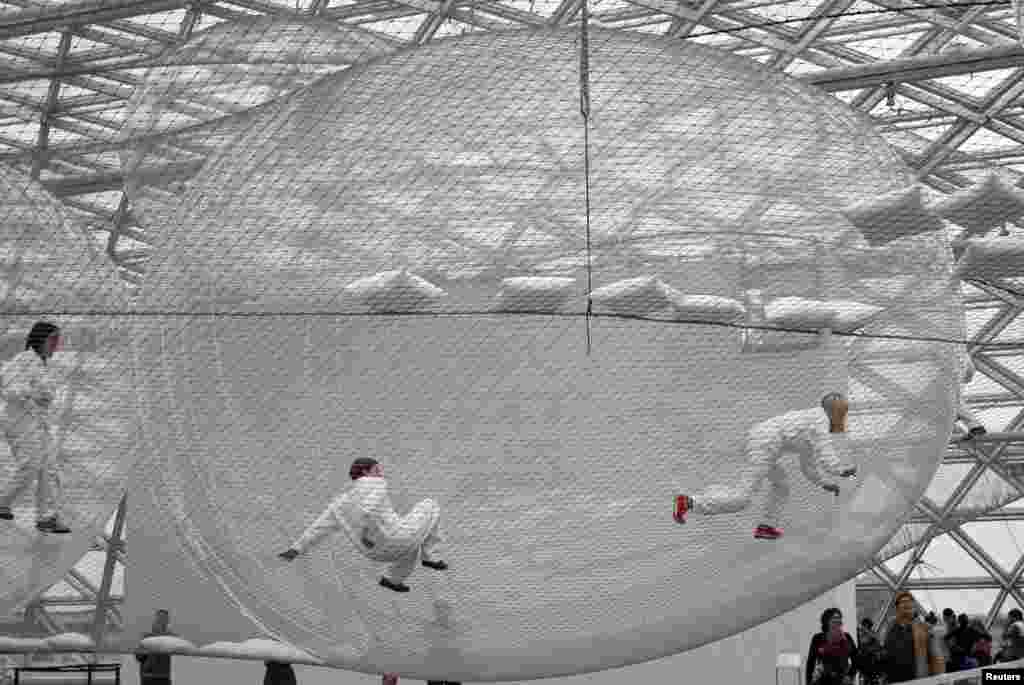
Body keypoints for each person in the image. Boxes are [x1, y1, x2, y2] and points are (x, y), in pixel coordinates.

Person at [674, 392, 857, 539]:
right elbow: (825, 454)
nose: (843, 417)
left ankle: (766, 526)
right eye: (842, 412)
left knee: (782, 485)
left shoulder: (811, 421)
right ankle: (690, 502)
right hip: (765, 445)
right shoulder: (820, 421)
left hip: (763, 442)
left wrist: (824, 483)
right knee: (743, 498)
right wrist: (841, 471)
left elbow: (808, 465)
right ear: (835, 410)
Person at [279, 458, 448, 593]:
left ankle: (393, 580)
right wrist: (366, 532)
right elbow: (368, 510)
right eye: (377, 470)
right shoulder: (377, 484)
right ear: (365, 473)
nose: (382, 473)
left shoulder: (340, 504)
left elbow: (319, 527)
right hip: (396, 539)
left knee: (414, 544)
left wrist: (296, 548)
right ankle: (430, 557)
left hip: (376, 553)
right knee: (430, 505)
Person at [0, 321, 69, 534]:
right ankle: (3, 501)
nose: (56, 345)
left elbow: (47, 394)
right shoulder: (22, 361)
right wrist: (33, 393)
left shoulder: (45, 365)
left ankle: (46, 517)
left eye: (57, 340)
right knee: (31, 465)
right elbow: (8, 389)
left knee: (49, 470)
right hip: (21, 421)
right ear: (40, 339)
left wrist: (46, 396)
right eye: (53, 339)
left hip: (39, 423)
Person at [882, 591, 945, 683]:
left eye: (910, 601)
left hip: (916, 680)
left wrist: (940, 680)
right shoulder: (890, 627)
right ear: (897, 607)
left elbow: (937, 657)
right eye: (903, 602)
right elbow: (886, 650)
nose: (907, 604)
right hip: (893, 679)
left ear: (914, 606)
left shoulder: (925, 628)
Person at [806, 608, 858, 685]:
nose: (837, 621)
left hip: (843, 680)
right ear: (826, 621)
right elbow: (811, 662)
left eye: (839, 618)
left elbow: (856, 660)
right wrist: (809, 681)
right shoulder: (818, 638)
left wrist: (850, 675)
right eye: (834, 618)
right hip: (824, 680)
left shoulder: (847, 637)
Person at [136, 609, 174, 685]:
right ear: (155, 620)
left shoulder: (170, 638)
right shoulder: (146, 637)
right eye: (160, 619)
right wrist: (148, 651)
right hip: (148, 678)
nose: (163, 622)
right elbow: (138, 656)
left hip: (164, 677)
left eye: (165, 619)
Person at [956, 354, 986, 438]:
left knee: (955, 404)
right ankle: (975, 427)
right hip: (953, 381)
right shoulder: (960, 351)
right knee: (956, 403)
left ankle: (975, 427)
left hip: (944, 383)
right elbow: (970, 371)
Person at [856, 618, 884, 685]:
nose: (865, 629)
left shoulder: (872, 636)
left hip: (873, 668)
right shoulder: (859, 636)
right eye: (864, 626)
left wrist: (865, 631)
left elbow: (878, 641)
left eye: (867, 626)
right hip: (864, 669)